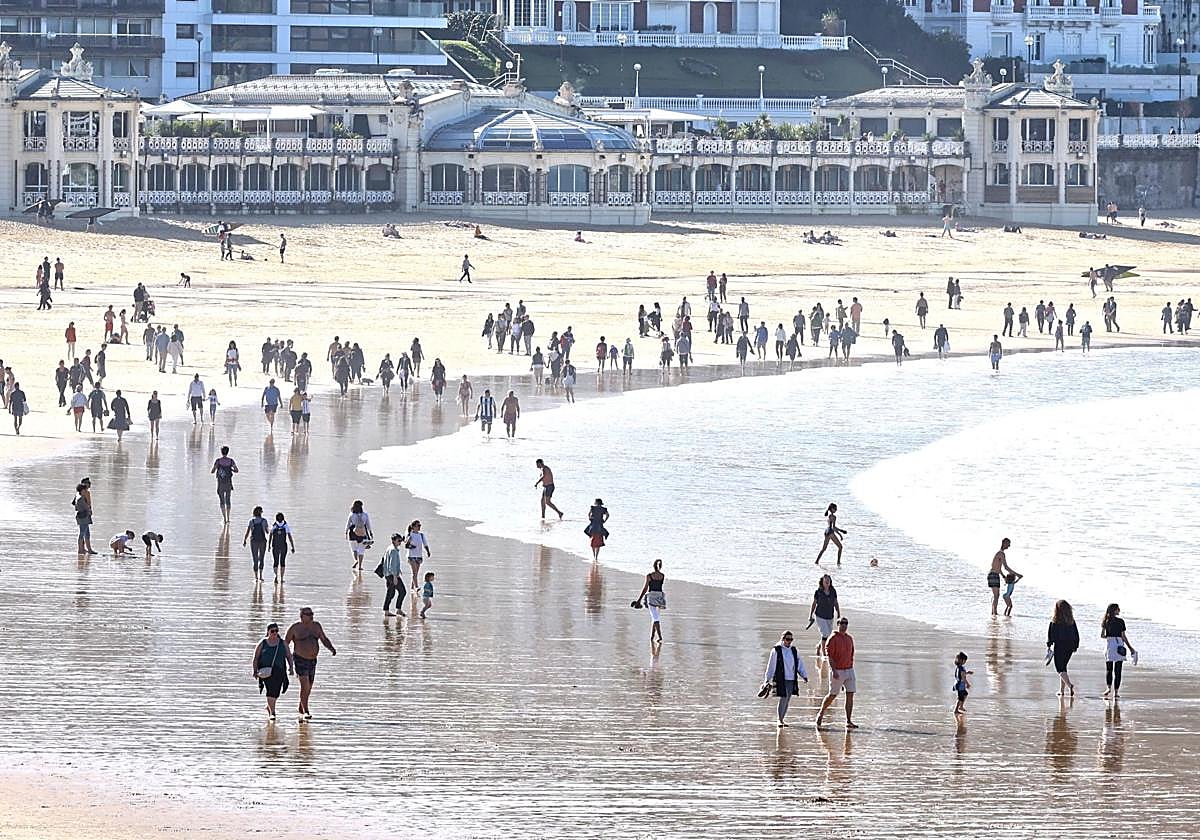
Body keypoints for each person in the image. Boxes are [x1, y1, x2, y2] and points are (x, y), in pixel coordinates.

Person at [285, 608, 336, 720]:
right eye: (308, 614)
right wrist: (287, 660)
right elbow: (285, 643)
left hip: (312, 660)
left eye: (312, 614)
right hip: (300, 659)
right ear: (302, 616)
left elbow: (323, 639)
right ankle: (306, 711)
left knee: (310, 686)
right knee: (305, 685)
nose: (311, 616)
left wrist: (331, 648)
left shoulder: (316, 626)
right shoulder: (295, 628)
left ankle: (301, 706)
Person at [816, 617, 857, 730]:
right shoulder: (832, 638)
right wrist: (833, 670)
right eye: (842, 623)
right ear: (838, 624)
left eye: (846, 623)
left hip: (849, 670)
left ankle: (848, 720)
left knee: (850, 694)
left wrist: (850, 669)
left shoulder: (849, 638)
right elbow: (830, 656)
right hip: (837, 670)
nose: (844, 625)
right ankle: (821, 712)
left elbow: (851, 654)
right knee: (832, 695)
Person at [252, 623, 294, 721]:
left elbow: (289, 656)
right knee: (270, 691)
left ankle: (269, 706)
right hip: (266, 671)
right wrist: (255, 671)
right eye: (272, 631)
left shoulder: (282, 643)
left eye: (276, 631)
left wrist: (291, 668)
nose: (274, 633)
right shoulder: (263, 643)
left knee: (276, 692)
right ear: (268, 632)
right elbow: (256, 658)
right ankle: (272, 713)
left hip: (279, 671)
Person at [1046, 599, 1080, 697]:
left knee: (1059, 669)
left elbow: (1051, 635)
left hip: (1060, 646)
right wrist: (1076, 646)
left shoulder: (1055, 620)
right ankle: (1062, 690)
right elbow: (1076, 634)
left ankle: (1070, 685)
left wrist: (1049, 645)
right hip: (1070, 647)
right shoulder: (1071, 621)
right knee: (1063, 667)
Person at [1101, 604, 1136, 699]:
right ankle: (1116, 692)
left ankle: (1108, 688)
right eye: (1118, 609)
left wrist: (1110, 636)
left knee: (1109, 669)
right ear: (1115, 610)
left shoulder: (1105, 621)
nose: (1119, 610)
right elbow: (1123, 636)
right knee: (1118, 670)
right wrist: (1130, 648)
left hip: (1109, 645)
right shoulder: (1121, 621)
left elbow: (1102, 635)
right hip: (1119, 644)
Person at [809, 574, 840, 657]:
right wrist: (810, 615)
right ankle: (825, 654)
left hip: (830, 616)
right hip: (820, 616)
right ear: (822, 582)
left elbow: (835, 602)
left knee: (827, 635)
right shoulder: (818, 592)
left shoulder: (833, 591)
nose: (827, 581)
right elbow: (814, 604)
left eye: (828, 580)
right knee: (825, 634)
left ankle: (818, 646)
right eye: (825, 580)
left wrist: (838, 614)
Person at [988, 537, 1017, 616]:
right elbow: (1006, 567)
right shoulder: (1001, 553)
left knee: (996, 595)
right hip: (993, 575)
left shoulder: (1000, 553)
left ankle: (993, 612)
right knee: (996, 595)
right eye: (1008, 544)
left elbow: (998, 568)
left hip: (994, 574)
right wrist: (1017, 574)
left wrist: (1003, 576)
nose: (1009, 546)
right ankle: (994, 613)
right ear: (1004, 543)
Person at [211, 446, 238, 524]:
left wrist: (217, 470)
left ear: (221, 452)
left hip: (220, 483)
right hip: (229, 483)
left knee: (222, 501)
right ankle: (229, 517)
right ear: (228, 452)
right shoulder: (231, 461)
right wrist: (230, 469)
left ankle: (224, 518)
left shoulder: (218, 461)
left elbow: (212, 471)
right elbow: (236, 470)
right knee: (228, 500)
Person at [243, 505, 270, 581]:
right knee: (261, 558)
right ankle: (261, 576)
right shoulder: (264, 521)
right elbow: (267, 532)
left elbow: (248, 532)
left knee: (255, 559)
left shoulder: (251, 521)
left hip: (253, 542)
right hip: (262, 541)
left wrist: (244, 540)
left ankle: (256, 577)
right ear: (261, 512)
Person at [405, 519, 432, 590]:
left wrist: (428, 551)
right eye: (418, 525)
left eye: (420, 525)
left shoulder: (421, 535)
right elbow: (406, 546)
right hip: (411, 556)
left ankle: (412, 587)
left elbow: (425, 544)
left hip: (419, 556)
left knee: (416, 573)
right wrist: (411, 546)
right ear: (413, 527)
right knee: (414, 572)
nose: (419, 527)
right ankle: (416, 587)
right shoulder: (410, 534)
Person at [346, 499, 372, 571]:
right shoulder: (365, 514)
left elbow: (348, 524)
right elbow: (368, 524)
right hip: (362, 533)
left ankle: (356, 561)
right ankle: (360, 566)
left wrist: (345, 532)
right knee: (361, 550)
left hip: (352, 533)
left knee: (354, 549)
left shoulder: (351, 514)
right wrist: (370, 532)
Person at [270, 512, 295, 583]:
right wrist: (292, 546)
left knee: (275, 562)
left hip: (275, 546)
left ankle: (276, 576)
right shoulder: (285, 525)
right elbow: (289, 536)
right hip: (283, 546)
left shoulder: (274, 526)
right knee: (282, 562)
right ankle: (281, 578)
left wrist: (269, 545)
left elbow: (270, 535)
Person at [73, 480, 95, 555]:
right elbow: (86, 507)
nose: (86, 490)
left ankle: (86, 550)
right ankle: (80, 550)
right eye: (84, 489)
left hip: (83, 516)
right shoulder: (80, 498)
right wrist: (89, 510)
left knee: (86, 533)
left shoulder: (78, 496)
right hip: (83, 517)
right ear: (82, 490)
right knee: (82, 533)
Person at [953, 652, 973, 716]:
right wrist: (967, 684)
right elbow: (963, 677)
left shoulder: (959, 667)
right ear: (961, 660)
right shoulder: (961, 668)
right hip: (960, 685)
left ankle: (961, 706)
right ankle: (956, 710)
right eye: (964, 660)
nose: (965, 662)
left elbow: (962, 674)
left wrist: (967, 673)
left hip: (960, 685)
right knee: (960, 698)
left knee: (965, 694)